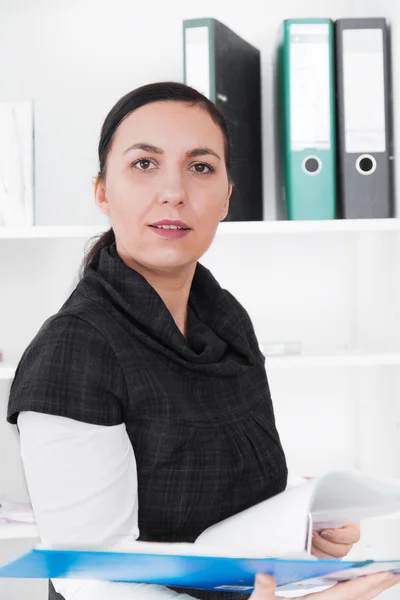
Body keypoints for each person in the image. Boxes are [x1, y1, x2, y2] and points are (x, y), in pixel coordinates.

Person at [6, 82, 400, 600]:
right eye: (145, 164)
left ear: (227, 198)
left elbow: (218, 490)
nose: (173, 191)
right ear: (102, 191)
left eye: (200, 167)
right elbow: (92, 577)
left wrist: (306, 523)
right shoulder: (75, 350)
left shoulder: (223, 318)